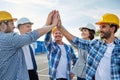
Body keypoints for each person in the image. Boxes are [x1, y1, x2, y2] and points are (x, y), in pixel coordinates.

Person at [57, 13, 120, 80]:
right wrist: (60, 27)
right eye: (100, 27)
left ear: (112, 29)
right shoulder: (96, 44)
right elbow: (76, 40)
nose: (100, 30)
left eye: (103, 27)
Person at [0, 10, 59, 80]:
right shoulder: (13, 40)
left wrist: (47, 24)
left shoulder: (26, 42)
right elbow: (32, 36)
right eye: (12, 23)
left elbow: (32, 36)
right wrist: (52, 25)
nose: (13, 26)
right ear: (3, 25)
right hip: (23, 74)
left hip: (32, 72)